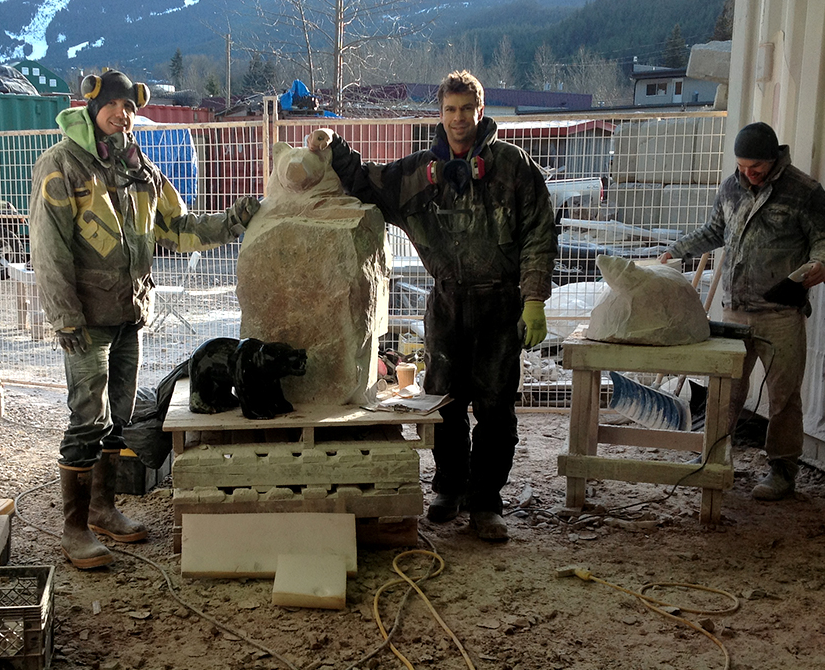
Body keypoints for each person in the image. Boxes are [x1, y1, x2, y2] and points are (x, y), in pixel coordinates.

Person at [308, 70, 557, 541]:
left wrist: (534, 299)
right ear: (439, 115)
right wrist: (333, 143)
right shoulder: (420, 173)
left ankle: (486, 501)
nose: (458, 118)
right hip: (446, 304)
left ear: (481, 112)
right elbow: (368, 183)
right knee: (444, 403)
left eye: (466, 109)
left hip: (500, 306)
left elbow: (539, 234)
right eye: (450, 110)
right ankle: (448, 489)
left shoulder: (512, 167)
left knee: (496, 409)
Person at [30, 70, 259, 569]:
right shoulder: (62, 166)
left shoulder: (140, 171)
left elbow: (180, 228)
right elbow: (49, 252)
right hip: (86, 321)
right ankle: (72, 531)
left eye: (130, 108)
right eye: (114, 105)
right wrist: (65, 317)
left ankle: (103, 509)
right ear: (91, 107)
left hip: (128, 314)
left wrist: (237, 218)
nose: (123, 114)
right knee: (88, 419)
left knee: (121, 415)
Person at [658, 121, 825, 501]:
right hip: (735, 309)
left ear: (773, 160)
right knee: (727, 391)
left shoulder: (804, 192)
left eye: (756, 169)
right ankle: (715, 457)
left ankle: (782, 472)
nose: (748, 175)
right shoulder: (732, 186)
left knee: (784, 397)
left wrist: (819, 264)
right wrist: (677, 249)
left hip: (781, 313)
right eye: (742, 167)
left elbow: (822, 240)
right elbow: (715, 230)